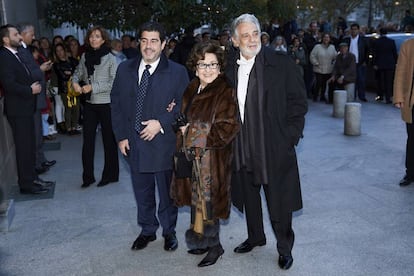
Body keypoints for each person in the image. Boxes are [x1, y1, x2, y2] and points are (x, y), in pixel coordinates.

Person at [225, 14, 307, 270]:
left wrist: (289, 137)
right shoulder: (228, 68)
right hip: (241, 145)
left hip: (273, 146)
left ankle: (284, 248)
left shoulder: (281, 63)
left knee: (279, 201)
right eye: (245, 35)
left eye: (255, 33)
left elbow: (298, 102)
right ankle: (255, 236)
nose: (252, 39)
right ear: (234, 41)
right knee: (249, 196)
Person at [111, 21, 189, 252]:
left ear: (163, 44)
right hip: (133, 143)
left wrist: (162, 123)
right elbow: (116, 104)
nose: (148, 46)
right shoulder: (125, 69)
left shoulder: (177, 72)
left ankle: (169, 231)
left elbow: (185, 107)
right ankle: (147, 230)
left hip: (164, 143)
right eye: (144, 40)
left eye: (154, 40)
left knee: (166, 193)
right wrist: (121, 136)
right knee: (142, 191)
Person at [170, 42, 240, 267]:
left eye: (213, 64)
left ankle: (215, 246)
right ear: (195, 66)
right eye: (203, 64)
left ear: (220, 67)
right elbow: (185, 119)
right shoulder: (192, 87)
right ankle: (201, 241)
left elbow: (226, 129)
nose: (208, 69)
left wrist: (189, 131)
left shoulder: (225, 90)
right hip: (191, 158)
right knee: (196, 202)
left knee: (209, 203)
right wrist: (180, 125)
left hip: (213, 161)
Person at [0, 24, 50, 194]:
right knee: (23, 148)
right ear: (6, 39)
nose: (20, 37)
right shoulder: (4, 56)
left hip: (26, 108)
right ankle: (27, 184)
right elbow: (9, 84)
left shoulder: (15, 54)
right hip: (18, 110)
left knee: (28, 146)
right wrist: (30, 90)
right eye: (15, 35)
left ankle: (32, 178)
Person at [72, 26, 119, 188]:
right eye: (91, 36)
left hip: (106, 104)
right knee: (88, 142)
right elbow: (77, 73)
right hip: (90, 104)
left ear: (103, 39)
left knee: (109, 141)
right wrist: (75, 83)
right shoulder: (85, 56)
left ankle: (110, 175)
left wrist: (93, 87)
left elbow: (114, 82)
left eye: (97, 36)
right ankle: (88, 177)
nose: (93, 39)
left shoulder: (111, 58)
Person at [18, 23, 56, 175]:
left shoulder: (25, 49)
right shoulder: (20, 51)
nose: (33, 37)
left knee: (38, 132)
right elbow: (26, 73)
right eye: (31, 34)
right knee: (34, 134)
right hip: (30, 98)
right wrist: (40, 69)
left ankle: (41, 159)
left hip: (36, 97)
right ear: (22, 34)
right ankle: (37, 163)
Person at [393, 38, 414, 187]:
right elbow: (400, 72)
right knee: (412, 139)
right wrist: (399, 96)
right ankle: (410, 172)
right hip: (412, 101)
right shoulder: (408, 45)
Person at [53, 43, 80, 135]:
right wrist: (71, 73)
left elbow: (78, 71)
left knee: (76, 108)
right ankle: (69, 128)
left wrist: (70, 73)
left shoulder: (72, 60)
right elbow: (63, 76)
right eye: (57, 51)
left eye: (61, 50)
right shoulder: (56, 65)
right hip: (65, 89)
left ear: (64, 50)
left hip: (75, 87)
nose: (60, 53)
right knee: (68, 108)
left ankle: (74, 126)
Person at [343, 23, 369, 102]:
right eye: (352, 29)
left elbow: (367, 51)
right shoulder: (347, 40)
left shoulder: (363, 40)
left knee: (361, 80)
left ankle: (362, 95)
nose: (354, 31)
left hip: (360, 63)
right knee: (350, 80)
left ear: (358, 30)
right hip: (349, 64)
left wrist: (366, 61)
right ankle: (352, 95)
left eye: (355, 29)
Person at [372, 28, 397, 104]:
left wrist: (374, 63)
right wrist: (395, 62)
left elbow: (374, 53)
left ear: (380, 33)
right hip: (389, 64)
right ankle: (388, 98)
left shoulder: (376, 42)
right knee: (388, 81)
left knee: (380, 81)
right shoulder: (391, 42)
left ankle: (380, 96)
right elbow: (394, 53)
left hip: (379, 64)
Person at [309, 33, 337, 102]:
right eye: (325, 37)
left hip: (328, 69)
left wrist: (333, 63)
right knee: (318, 83)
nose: (326, 39)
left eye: (327, 37)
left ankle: (322, 96)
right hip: (319, 68)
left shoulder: (332, 47)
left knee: (324, 84)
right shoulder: (317, 46)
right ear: (322, 38)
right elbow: (312, 56)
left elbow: (335, 56)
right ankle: (315, 96)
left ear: (329, 39)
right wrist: (315, 63)